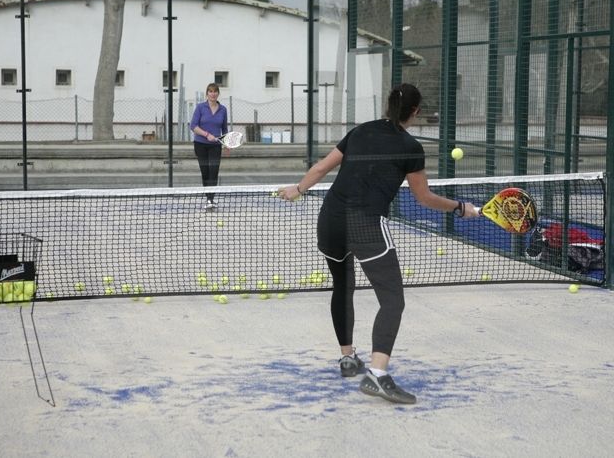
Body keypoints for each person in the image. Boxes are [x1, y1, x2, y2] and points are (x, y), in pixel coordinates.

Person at [278, 83, 479, 404]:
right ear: (415, 112)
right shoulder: (411, 146)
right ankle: (377, 374)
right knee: (392, 299)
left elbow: (321, 167)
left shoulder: (360, 131)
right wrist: (460, 207)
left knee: (342, 285)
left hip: (330, 219)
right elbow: (424, 198)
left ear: (388, 105)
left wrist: (297, 190)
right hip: (365, 224)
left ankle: (347, 358)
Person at [190, 83, 228, 210]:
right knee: (205, 171)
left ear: (218, 94)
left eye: (215, 91)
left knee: (214, 171)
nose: (213, 94)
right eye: (210, 91)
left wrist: (227, 144)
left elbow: (224, 129)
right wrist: (207, 135)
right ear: (207, 93)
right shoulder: (200, 107)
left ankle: (210, 199)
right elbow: (193, 126)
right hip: (200, 144)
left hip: (216, 146)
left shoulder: (223, 109)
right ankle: (208, 198)